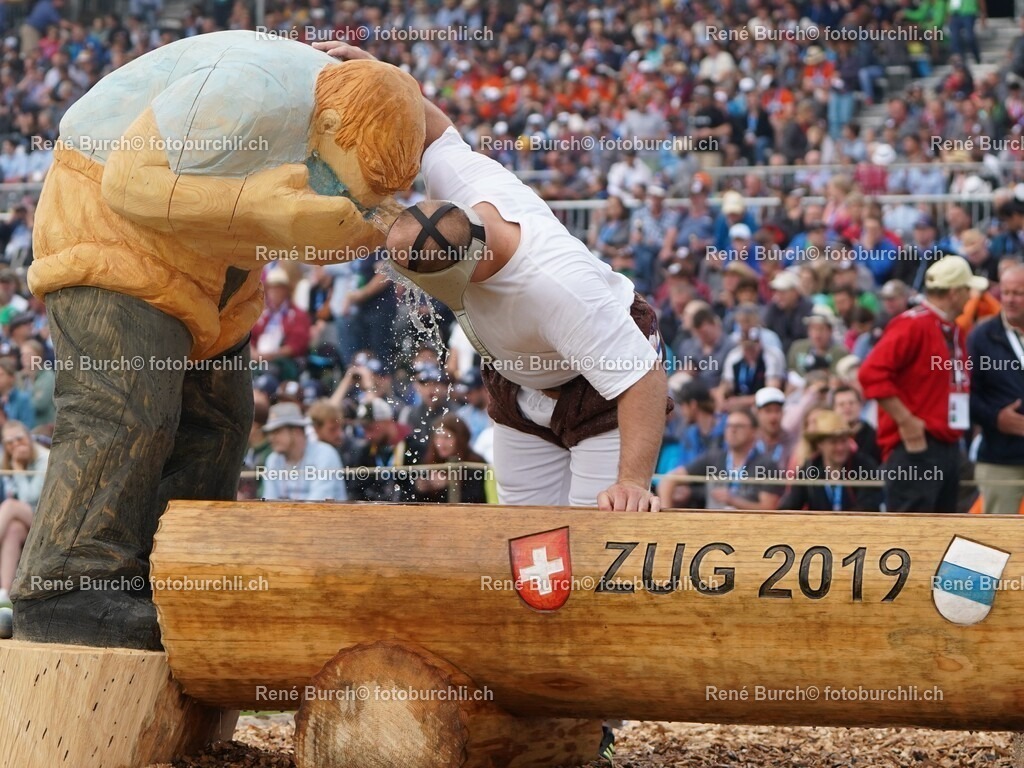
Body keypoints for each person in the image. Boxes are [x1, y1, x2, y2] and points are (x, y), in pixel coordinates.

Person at [13, 31, 426, 650]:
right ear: (333, 121)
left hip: (214, 267)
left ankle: (173, 575)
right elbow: (132, 184)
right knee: (126, 406)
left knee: (220, 423)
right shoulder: (248, 89)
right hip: (109, 224)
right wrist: (274, 213)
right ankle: (68, 585)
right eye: (335, 182)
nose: (333, 195)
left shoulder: (337, 119)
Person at [317, 42, 669, 512]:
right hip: (515, 378)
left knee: (597, 531)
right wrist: (377, 76)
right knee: (525, 536)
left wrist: (631, 482)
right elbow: (436, 132)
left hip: (600, 392)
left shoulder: (558, 285)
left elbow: (640, 377)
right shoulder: (463, 187)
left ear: (463, 268)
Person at [859, 256, 982, 513]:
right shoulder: (912, 324)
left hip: (946, 444)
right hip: (916, 446)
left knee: (944, 533)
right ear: (954, 292)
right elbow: (871, 373)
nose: (971, 296)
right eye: (967, 290)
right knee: (912, 534)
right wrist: (906, 421)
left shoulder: (952, 329)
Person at [967, 264, 1024, 514]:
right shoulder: (981, 337)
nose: (1010, 300)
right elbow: (966, 395)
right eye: (1006, 292)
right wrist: (995, 418)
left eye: (1019, 293)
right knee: (996, 540)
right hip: (1001, 456)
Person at [657, 408, 781, 511]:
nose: (732, 430)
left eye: (739, 426)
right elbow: (668, 480)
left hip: (750, 530)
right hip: (713, 529)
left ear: (754, 432)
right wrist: (667, 517)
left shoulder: (766, 464)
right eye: (729, 426)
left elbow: (769, 508)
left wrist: (733, 500)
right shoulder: (713, 458)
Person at [778, 410, 882, 512]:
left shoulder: (865, 466)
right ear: (820, 444)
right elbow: (789, 506)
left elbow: (869, 507)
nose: (840, 448)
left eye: (844, 441)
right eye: (833, 442)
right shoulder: (809, 469)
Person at [0, 421, 49, 605]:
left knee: (10, 506)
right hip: (26, 521)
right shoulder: (8, 460)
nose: (16, 445)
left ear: (28, 437)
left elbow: (30, 498)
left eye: (19, 439)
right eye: (9, 442)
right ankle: (5, 591)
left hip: (48, 520)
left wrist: (18, 469)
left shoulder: (44, 458)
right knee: (13, 529)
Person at [262, 402, 348, 501]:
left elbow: (317, 505)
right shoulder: (273, 459)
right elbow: (269, 503)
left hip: (326, 516)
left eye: (277, 431)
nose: (271, 438)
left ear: (297, 431)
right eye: (270, 433)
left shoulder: (325, 454)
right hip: (287, 515)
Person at [414, 414, 487, 504]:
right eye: (438, 437)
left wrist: (449, 485)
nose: (441, 443)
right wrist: (421, 489)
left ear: (460, 439)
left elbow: (475, 499)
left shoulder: (475, 464)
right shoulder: (430, 462)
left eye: (447, 437)